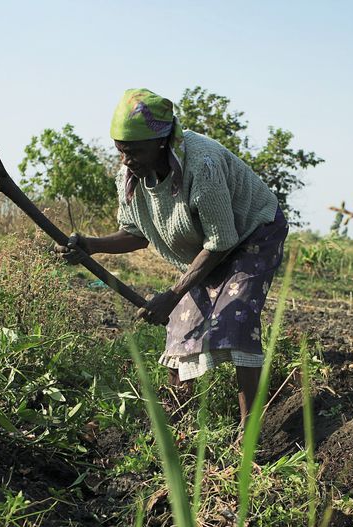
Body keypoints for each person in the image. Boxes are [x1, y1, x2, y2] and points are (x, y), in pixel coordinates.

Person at [55, 88, 288, 428]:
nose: (125, 160)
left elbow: (222, 242)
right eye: (120, 150)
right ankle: (179, 424)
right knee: (181, 327)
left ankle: (251, 429)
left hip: (254, 232)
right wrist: (91, 244)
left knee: (235, 319)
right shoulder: (129, 176)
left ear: (161, 141)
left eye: (133, 151)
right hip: (208, 246)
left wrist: (172, 294)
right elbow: (135, 233)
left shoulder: (202, 165)